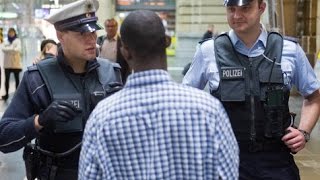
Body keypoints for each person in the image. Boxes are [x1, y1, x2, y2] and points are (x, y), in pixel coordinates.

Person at [79, 10, 239, 180]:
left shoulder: (102, 118)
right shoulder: (209, 111)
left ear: (124, 52)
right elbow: (228, 174)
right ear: (167, 42)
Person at [183, 0, 320, 179]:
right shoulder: (208, 51)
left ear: (261, 8)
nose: (237, 15)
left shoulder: (289, 50)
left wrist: (303, 132)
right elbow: (186, 99)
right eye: (231, 9)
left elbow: (313, 97)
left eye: (245, 8)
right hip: (226, 163)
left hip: (277, 162)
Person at [0, 0, 122, 179]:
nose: (91, 39)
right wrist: (39, 121)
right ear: (60, 35)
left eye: (93, 31)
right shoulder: (37, 78)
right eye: (82, 33)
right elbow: (4, 137)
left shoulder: (112, 73)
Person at [97, 18, 131, 83]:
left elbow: (127, 64)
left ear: (117, 27)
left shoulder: (122, 42)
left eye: (112, 26)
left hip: (117, 74)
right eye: (108, 26)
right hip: (101, 73)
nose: (110, 28)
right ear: (105, 27)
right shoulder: (100, 40)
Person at [2, 27, 22, 101]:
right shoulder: (5, 41)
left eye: (12, 32)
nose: (11, 34)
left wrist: (9, 49)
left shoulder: (17, 40)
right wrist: (12, 48)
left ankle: (17, 95)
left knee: (17, 80)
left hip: (15, 64)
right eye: (9, 33)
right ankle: (6, 95)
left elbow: (18, 50)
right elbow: (3, 49)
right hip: (7, 64)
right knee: (6, 80)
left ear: (14, 33)